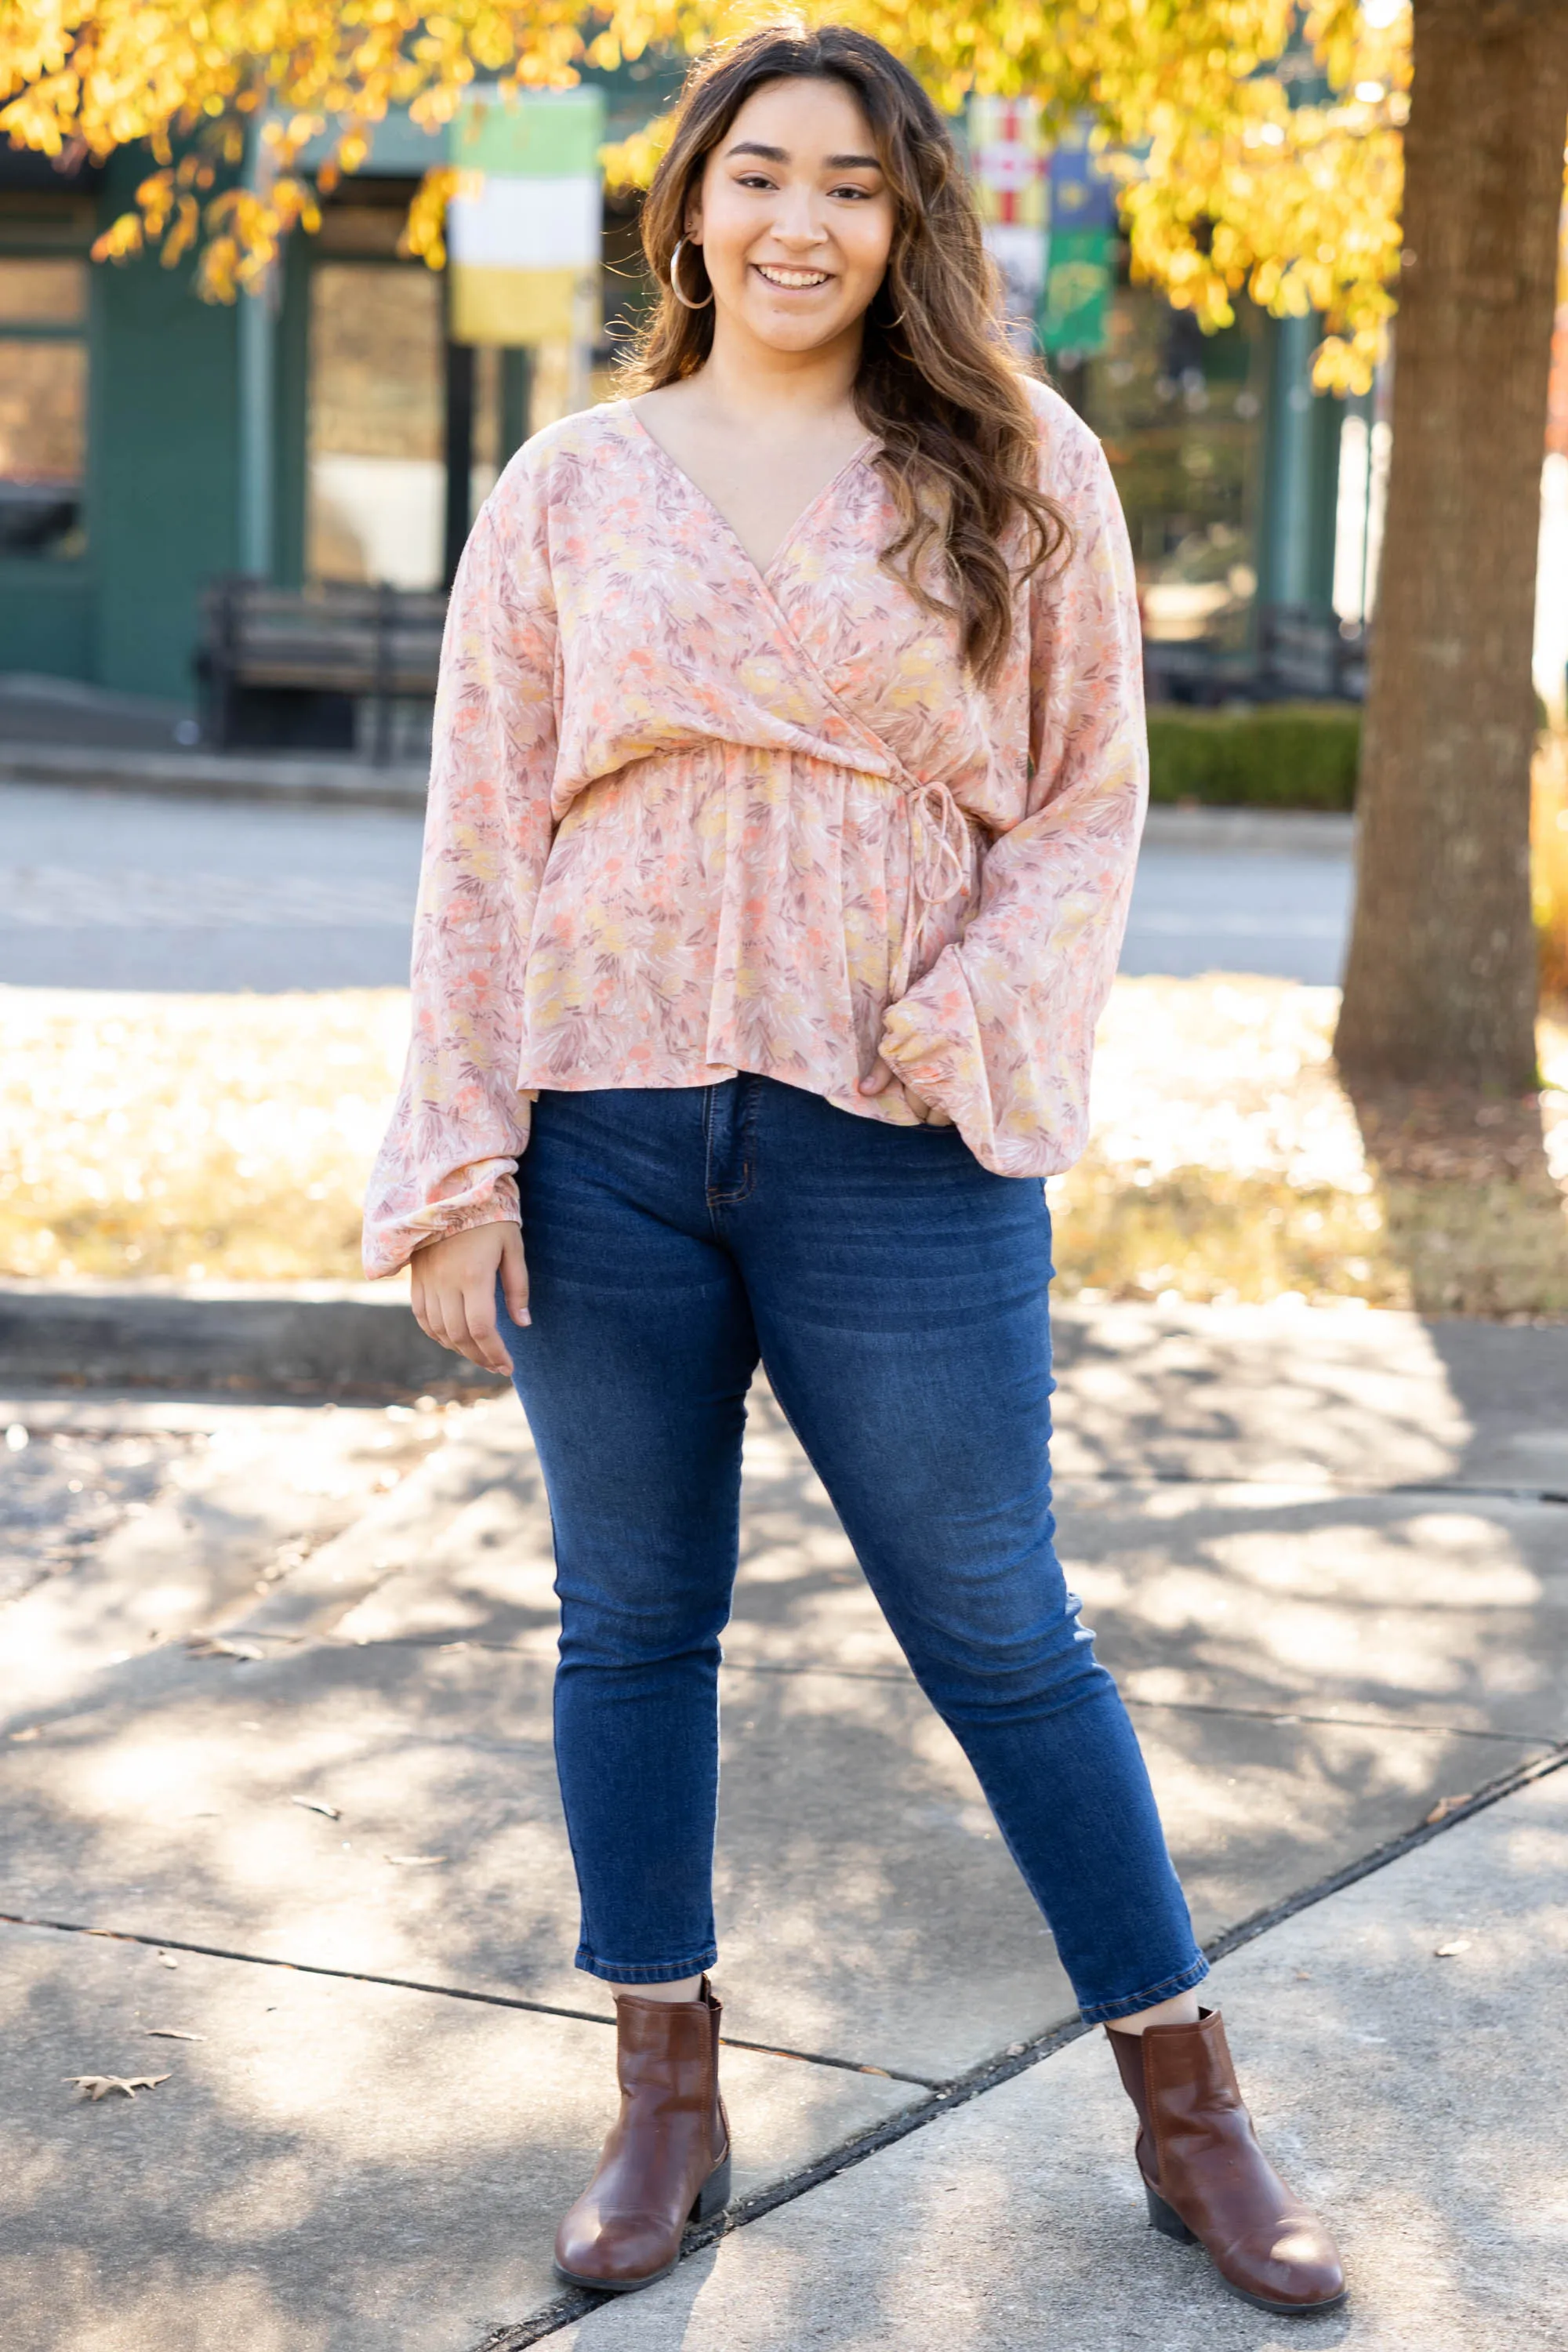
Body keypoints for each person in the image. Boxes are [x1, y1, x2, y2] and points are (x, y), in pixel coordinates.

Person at [364, 20, 1345, 2319]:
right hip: (598, 1139)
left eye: (853, 188)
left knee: (1001, 1624)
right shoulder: (570, 489)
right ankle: (663, 2100)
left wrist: (973, 1019)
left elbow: (1087, 798)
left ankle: (1193, 2110)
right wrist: (458, 1154)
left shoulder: (1016, 467)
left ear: (908, 224)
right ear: (687, 201)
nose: (800, 222)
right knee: (631, 1620)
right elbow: (478, 839)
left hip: (895, 1140)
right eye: (758, 175)